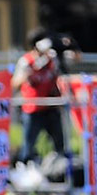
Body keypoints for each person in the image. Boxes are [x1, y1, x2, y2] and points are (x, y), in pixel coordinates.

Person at [12, 31, 65, 162]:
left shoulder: (52, 60)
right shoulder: (26, 61)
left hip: (50, 107)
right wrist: (29, 73)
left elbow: (59, 78)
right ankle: (25, 166)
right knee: (29, 144)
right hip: (32, 108)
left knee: (59, 142)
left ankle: (58, 168)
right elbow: (14, 83)